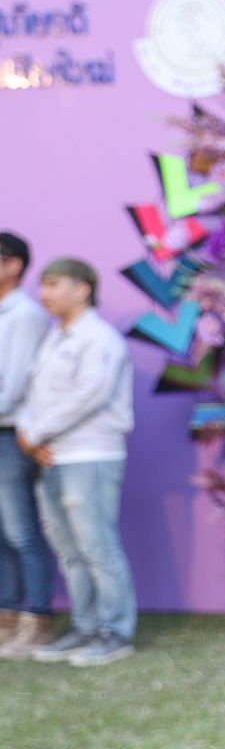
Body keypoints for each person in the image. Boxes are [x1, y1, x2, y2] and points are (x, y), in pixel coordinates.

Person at [15, 257, 136, 667]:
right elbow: (33, 395)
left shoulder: (100, 338)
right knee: (69, 550)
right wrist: (28, 434)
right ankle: (86, 627)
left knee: (97, 546)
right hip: (52, 456)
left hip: (90, 455)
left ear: (82, 289)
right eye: (42, 285)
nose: (44, 293)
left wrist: (35, 433)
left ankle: (116, 632)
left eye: (53, 284)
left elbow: (90, 394)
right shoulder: (54, 337)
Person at [0, 231, 60, 658]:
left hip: (11, 434)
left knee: (21, 530)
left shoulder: (24, 314)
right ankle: (7, 614)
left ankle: (38, 617)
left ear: (14, 264)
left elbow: (15, 386)